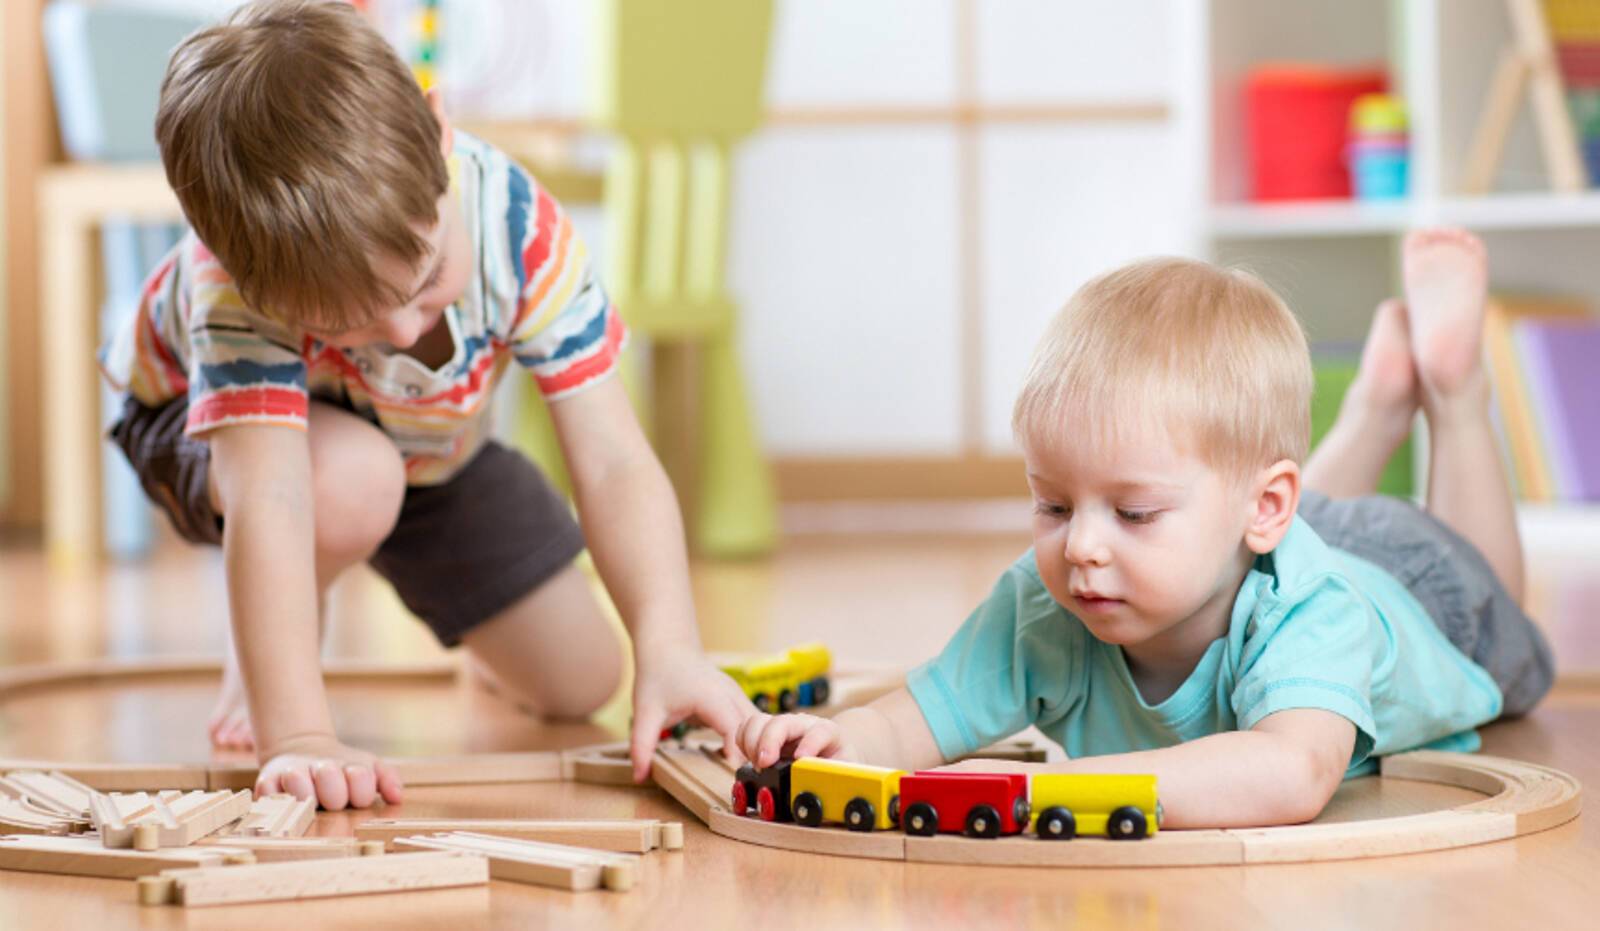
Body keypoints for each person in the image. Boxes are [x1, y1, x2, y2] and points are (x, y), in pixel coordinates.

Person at [99, 0, 752, 810]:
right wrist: (296, 734)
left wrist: (672, 644)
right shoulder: (232, 286)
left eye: (429, 279)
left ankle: (435, 622)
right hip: (229, 450)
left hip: (430, 448)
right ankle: (272, 652)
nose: (406, 332)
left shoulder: (521, 229)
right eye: (350, 324)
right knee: (352, 480)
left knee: (582, 679)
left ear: (440, 135)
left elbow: (615, 460)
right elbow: (269, 493)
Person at [732, 228, 1554, 828]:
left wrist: (1060, 789)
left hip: (1419, 592)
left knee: (1493, 597)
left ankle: (1452, 390)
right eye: (1054, 505)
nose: (1081, 545)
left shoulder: (1313, 613)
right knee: (1268, 502)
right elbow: (915, 717)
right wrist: (840, 742)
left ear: (1265, 510)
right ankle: (1376, 406)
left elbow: (1292, 769)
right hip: (1280, 531)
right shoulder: (1047, 602)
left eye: (1132, 513)